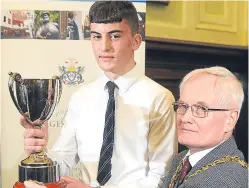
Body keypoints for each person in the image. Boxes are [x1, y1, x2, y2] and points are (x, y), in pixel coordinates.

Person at [22, 1, 177, 188]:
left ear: (135, 41)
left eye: (115, 36)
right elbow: (64, 164)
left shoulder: (159, 98)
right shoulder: (81, 98)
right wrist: (41, 152)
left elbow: (160, 179)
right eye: (96, 36)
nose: (104, 47)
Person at [158, 66, 248, 188]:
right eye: (182, 106)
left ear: (230, 119)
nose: (185, 118)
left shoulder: (224, 180)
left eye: (201, 109)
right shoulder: (181, 159)